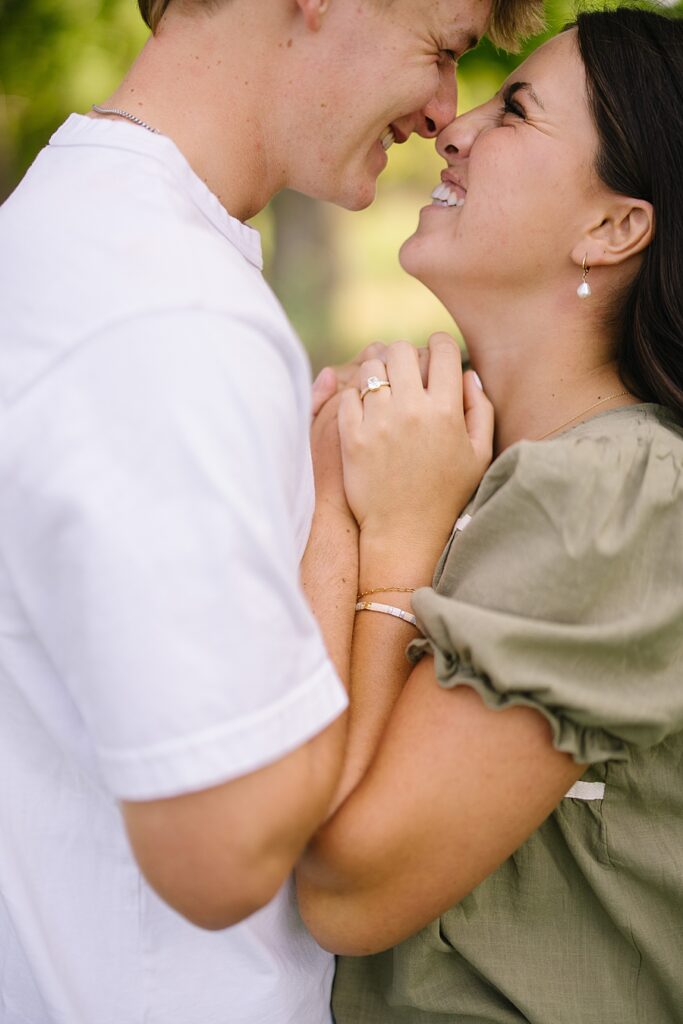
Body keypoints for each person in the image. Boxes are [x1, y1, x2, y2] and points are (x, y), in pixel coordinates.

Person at [0, 0, 544, 1022]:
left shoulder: (69, 238)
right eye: (440, 51)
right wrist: (365, 533)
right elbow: (222, 852)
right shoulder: (167, 314)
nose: (442, 111)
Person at [297, 7, 683, 1022]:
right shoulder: (480, 462)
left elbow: (345, 886)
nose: (451, 126)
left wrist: (385, 543)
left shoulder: (616, 499)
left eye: (514, 109)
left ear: (612, 226)